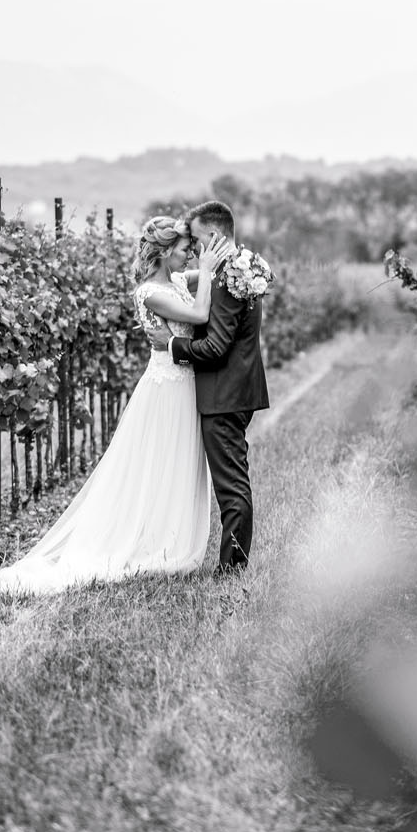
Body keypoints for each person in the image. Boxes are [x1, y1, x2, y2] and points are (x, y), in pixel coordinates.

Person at [0, 215, 233, 595]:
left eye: (192, 249)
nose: (190, 254)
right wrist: (204, 271)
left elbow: (210, 276)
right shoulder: (149, 293)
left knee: (177, 464)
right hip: (166, 390)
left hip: (186, 387)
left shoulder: (175, 281)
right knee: (157, 465)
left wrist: (230, 262)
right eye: (184, 248)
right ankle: (151, 543)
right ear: (164, 251)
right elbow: (200, 314)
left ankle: (168, 537)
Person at [161, 198, 270, 574]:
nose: (193, 250)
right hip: (238, 388)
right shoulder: (244, 266)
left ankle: (233, 568)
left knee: (231, 484)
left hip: (224, 393)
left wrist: (173, 346)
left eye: (195, 241)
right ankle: (234, 562)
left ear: (213, 235)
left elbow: (215, 346)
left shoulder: (226, 280)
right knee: (233, 478)